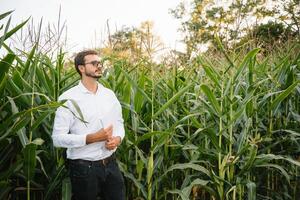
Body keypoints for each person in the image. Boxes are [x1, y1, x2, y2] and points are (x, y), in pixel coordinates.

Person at [52, 50, 125, 200]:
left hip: (110, 164)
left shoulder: (109, 94)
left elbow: (119, 123)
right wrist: (91, 138)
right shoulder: (68, 98)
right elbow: (57, 139)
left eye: (100, 63)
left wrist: (118, 138)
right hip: (83, 168)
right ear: (81, 68)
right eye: (94, 63)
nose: (99, 66)